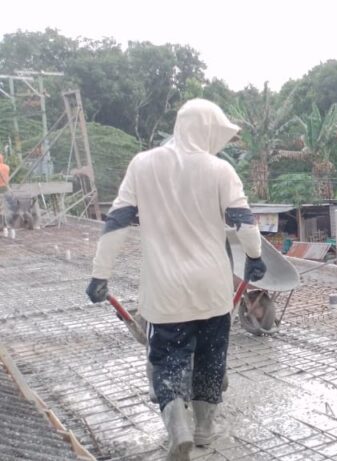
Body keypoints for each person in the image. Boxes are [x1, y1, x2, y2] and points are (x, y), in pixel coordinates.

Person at [86, 99, 266, 460]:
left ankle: (178, 429)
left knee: (167, 361)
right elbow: (245, 222)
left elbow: (117, 221)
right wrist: (256, 259)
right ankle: (203, 430)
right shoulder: (220, 171)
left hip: (165, 294)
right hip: (212, 290)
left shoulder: (143, 164)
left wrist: (99, 274)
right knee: (212, 359)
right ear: (205, 130)